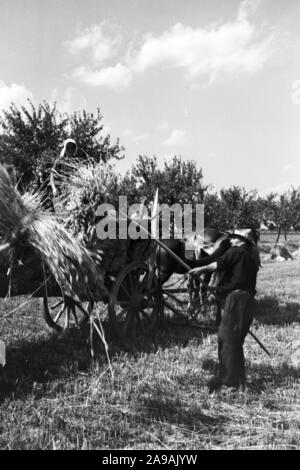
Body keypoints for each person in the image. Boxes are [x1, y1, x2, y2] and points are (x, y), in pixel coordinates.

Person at [189, 233, 260, 394]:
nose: (231, 240)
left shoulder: (236, 251)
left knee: (226, 339)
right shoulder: (250, 258)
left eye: (234, 237)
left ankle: (229, 384)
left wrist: (201, 269)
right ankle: (239, 380)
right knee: (234, 342)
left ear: (241, 241)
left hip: (236, 300)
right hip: (247, 301)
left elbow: (217, 264)